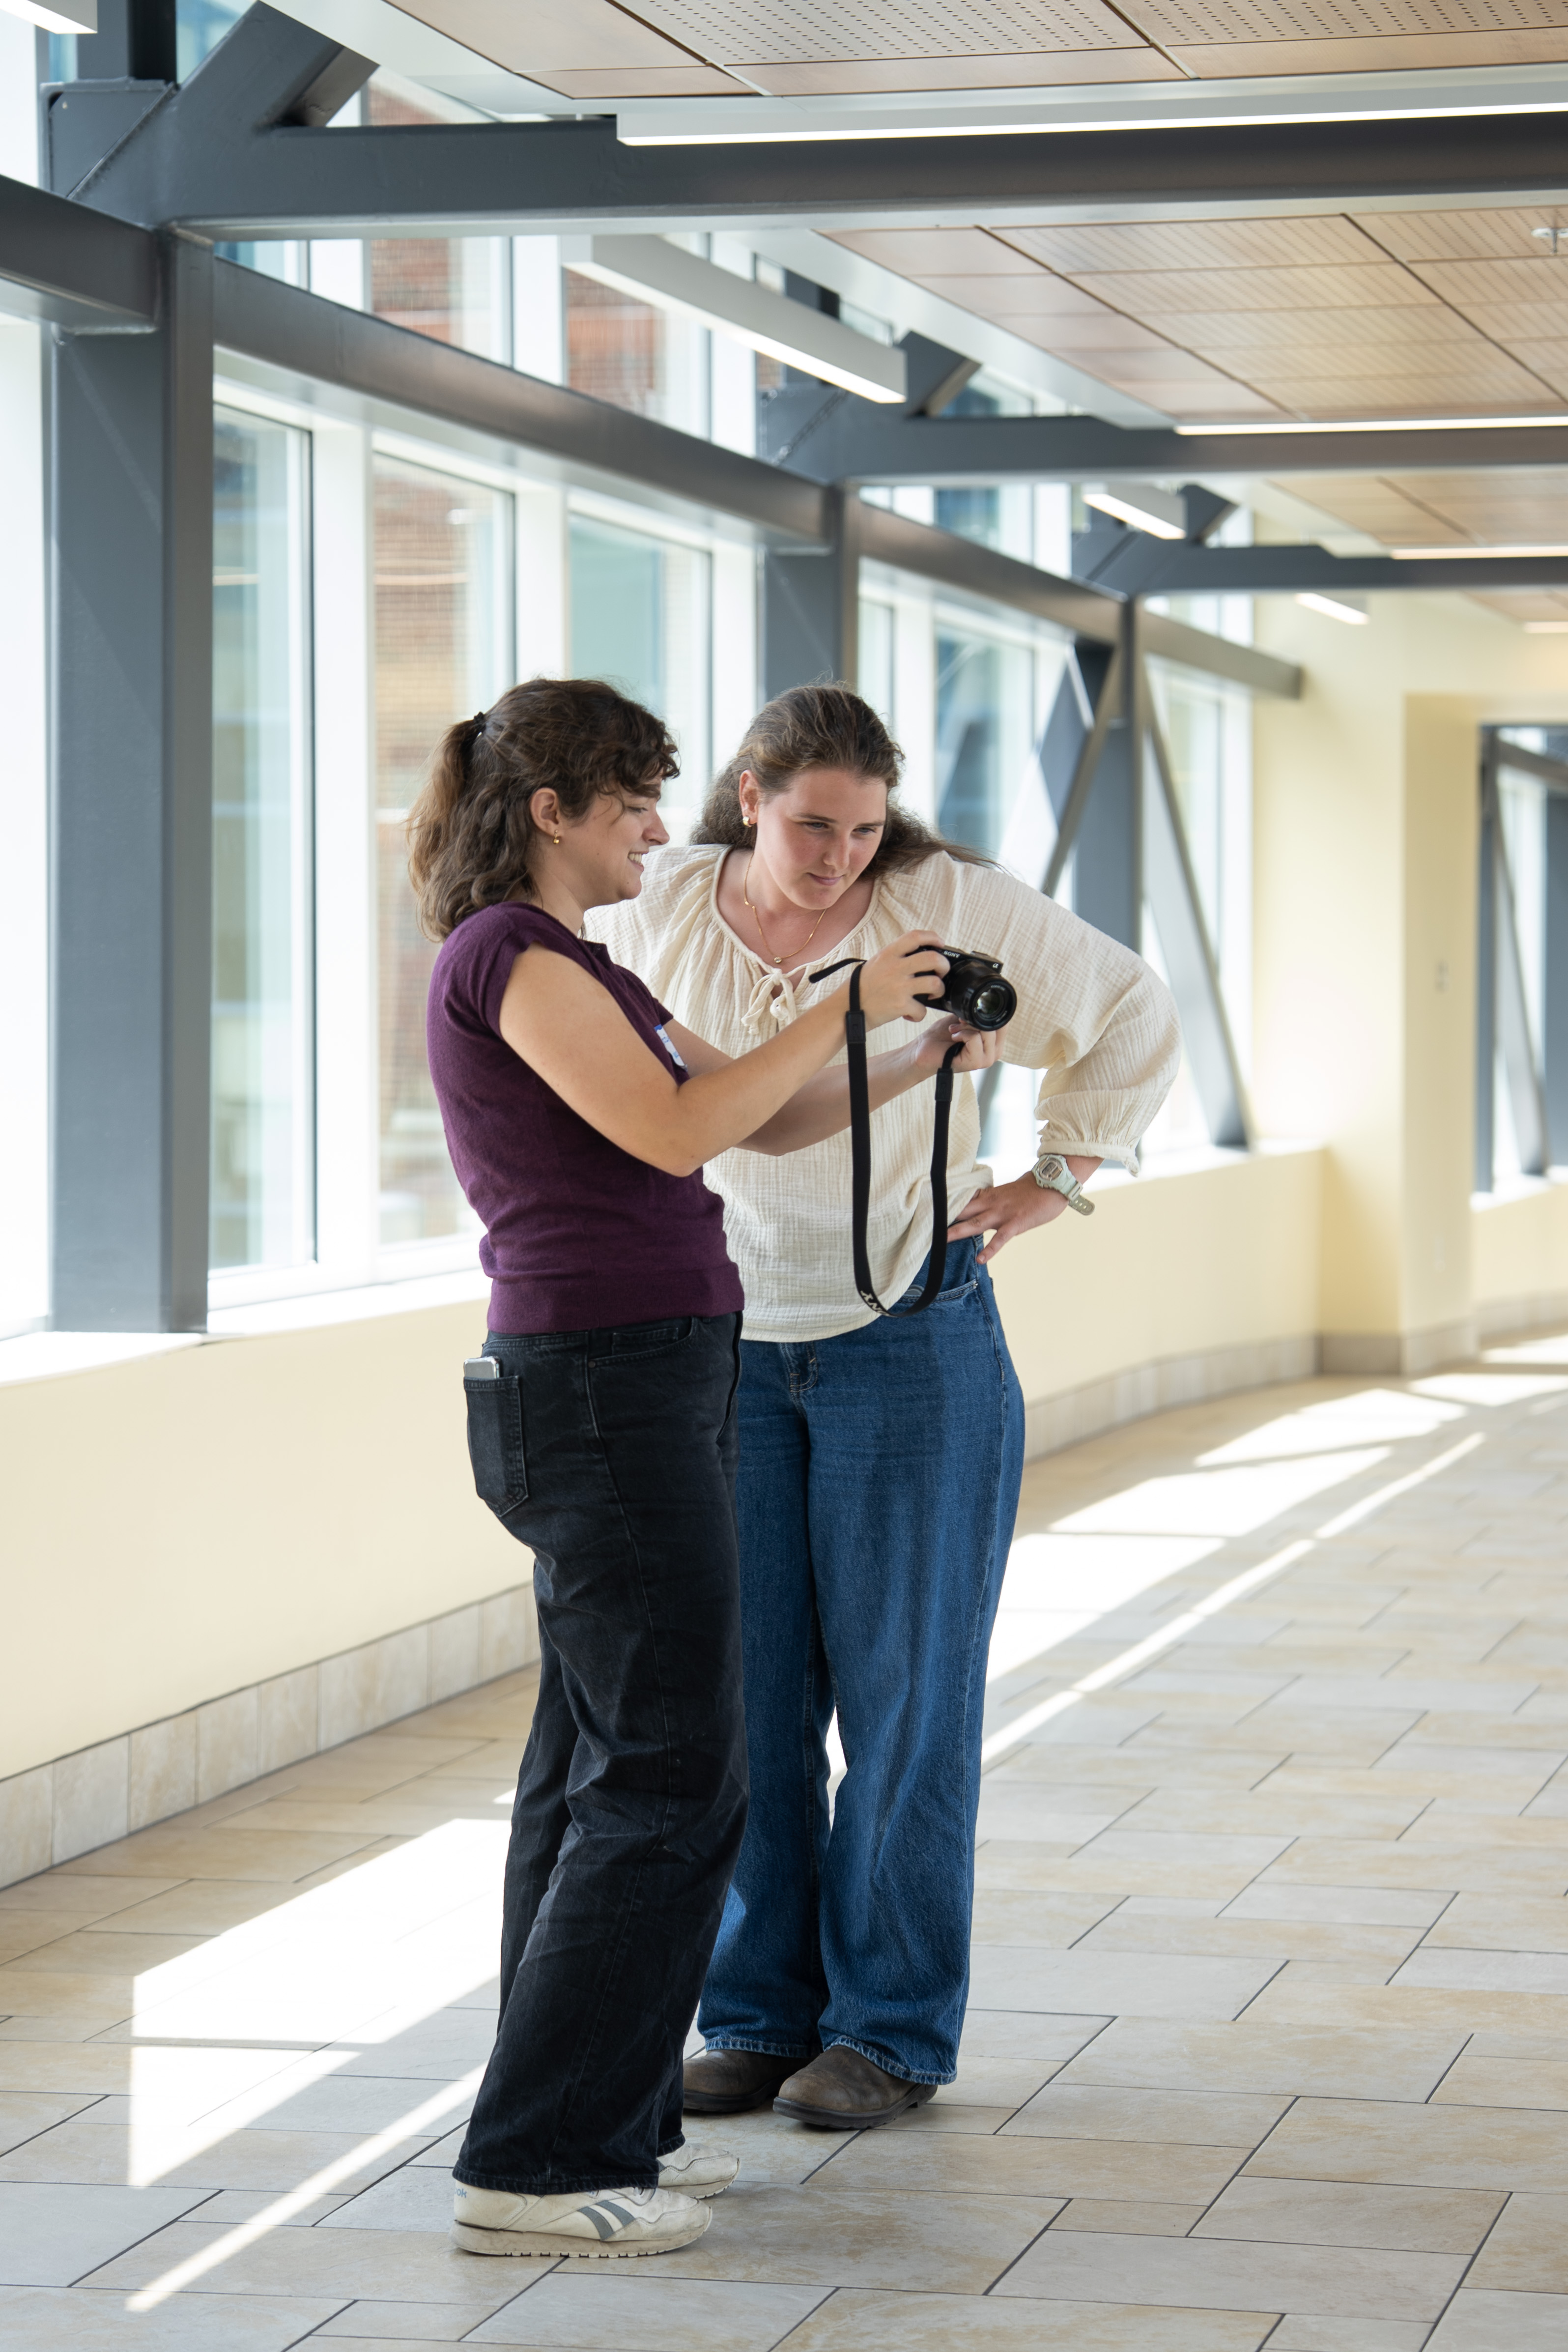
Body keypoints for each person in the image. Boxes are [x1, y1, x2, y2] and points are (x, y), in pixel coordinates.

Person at [410, 676, 996, 2261]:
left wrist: (910, 1046)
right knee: (678, 1769)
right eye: (635, 806)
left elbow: (749, 1118)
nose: (660, 833)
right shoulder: (507, 962)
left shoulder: (583, 966)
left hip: (643, 1386)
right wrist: (845, 997)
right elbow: (672, 1140)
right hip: (599, 1395)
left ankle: (598, 2120)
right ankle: (535, 2158)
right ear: (552, 810)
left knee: (599, 1766)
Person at [595, 682, 1180, 2130]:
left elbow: (1129, 1009)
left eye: (861, 829)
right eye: (810, 826)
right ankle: (754, 2012)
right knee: (752, 1703)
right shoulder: (656, 905)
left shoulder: (943, 899)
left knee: (908, 1701)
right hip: (724, 1346)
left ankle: (893, 2032)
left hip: (909, 1346)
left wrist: (1057, 1173)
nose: (837, 858)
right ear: (749, 798)